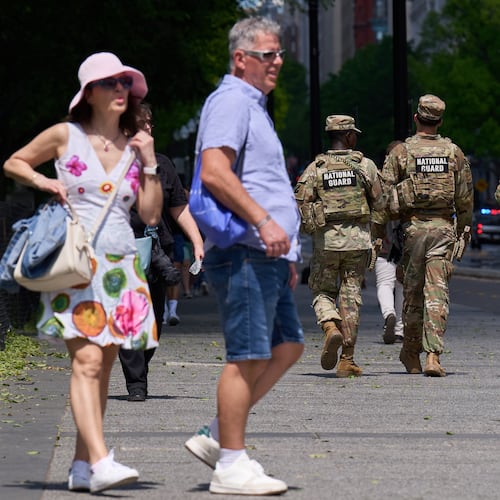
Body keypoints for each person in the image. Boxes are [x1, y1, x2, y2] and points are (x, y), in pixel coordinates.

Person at [3, 52, 163, 493]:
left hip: (123, 266)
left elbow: (150, 215)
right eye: (109, 83)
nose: (119, 90)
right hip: (77, 264)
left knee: (103, 367)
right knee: (87, 361)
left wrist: (148, 162)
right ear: (88, 92)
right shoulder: (65, 135)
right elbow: (14, 162)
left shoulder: (135, 143)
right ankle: (100, 458)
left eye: (124, 83)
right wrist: (44, 182)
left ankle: (79, 466)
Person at [184, 16, 304, 496]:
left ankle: (217, 436)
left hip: (267, 254)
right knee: (247, 355)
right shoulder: (232, 101)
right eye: (267, 55)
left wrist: (288, 250)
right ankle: (230, 464)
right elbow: (215, 171)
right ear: (241, 59)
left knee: (287, 346)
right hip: (245, 252)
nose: (277, 62)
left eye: (278, 54)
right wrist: (263, 222)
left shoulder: (253, 105)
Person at [373, 94, 473, 376]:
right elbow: (465, 198)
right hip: (443, 229)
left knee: (413, 295)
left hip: (413, 230)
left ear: (416, 118)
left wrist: (378, 232)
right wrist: (464, 232)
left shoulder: (401, 152)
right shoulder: (454, 152)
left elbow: (382, 198)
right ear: (440, 121)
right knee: (437, 292)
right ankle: (433, 355)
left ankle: (412, 354)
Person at [119, 103, 204, 402]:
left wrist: (196, 241)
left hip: (157, 253)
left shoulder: (163, 164)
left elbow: (178, 209)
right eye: (142, 123)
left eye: (150, 123)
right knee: (130, 317)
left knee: (153, 322)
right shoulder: (113, 162)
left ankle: (140, 365)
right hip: (122, 252)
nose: (149, 128)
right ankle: (136, 383)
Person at [295, 115, 385, 377]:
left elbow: (301, 202)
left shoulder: (316, 168)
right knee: (351, 297)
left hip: (327, 242)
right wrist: (378, 233)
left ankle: (330, 327)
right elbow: (381, 203)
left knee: (321, 291)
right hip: (358, 241)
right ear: (349, 137)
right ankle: (347, 359)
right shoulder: (365, 166)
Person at [375, 140, 404, 344]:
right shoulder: (412, 176)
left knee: (385, 282)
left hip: (384, 236)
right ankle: (401, 328)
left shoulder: (377, 176)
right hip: (406, 238)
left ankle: (388, 315)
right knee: (402, 284)